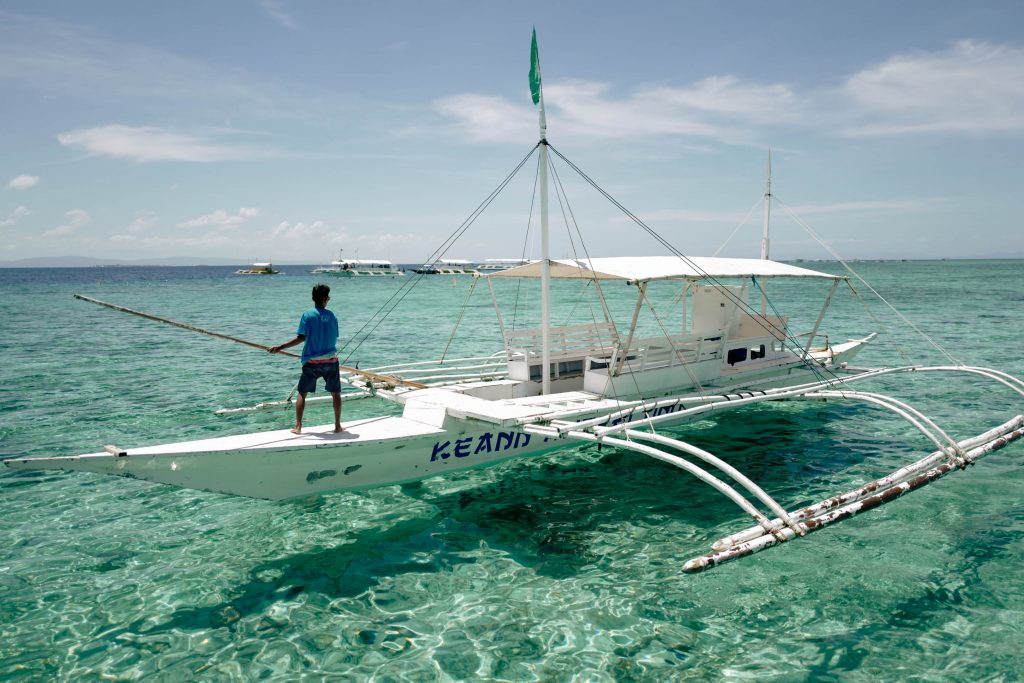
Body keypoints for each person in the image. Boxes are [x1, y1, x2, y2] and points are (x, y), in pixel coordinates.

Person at [269, 283, 343, 434]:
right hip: (331, 361)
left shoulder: (308, 315)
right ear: (327, 298)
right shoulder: (332, 316)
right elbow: (334, 337)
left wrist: (279, 347)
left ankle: (298, 427)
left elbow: (301, 338)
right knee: (335, 393)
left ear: (313, 298)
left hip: (312, 362)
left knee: (302, 393)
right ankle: (337, 426)